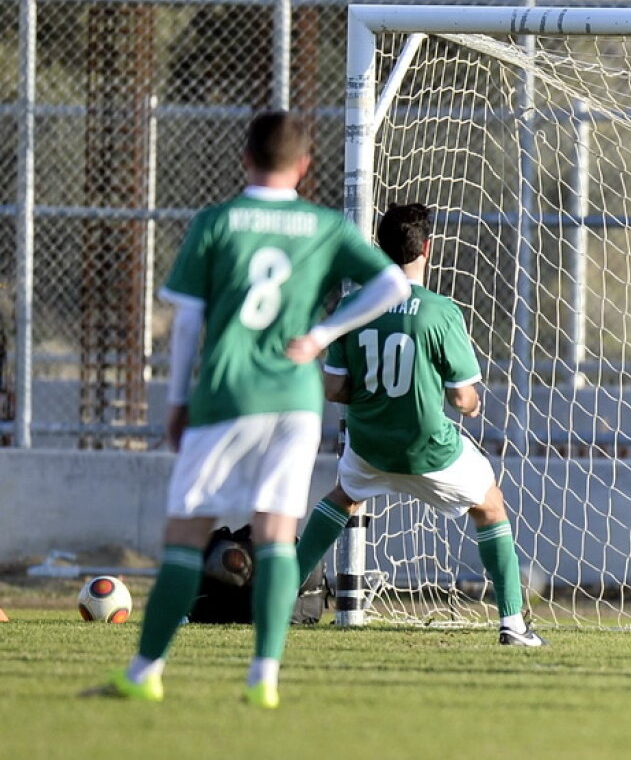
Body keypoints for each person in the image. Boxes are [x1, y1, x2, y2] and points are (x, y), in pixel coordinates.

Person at [87, 111, 412, 707]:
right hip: (293, 399)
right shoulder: (323, 227)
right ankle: (264, 676)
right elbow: (392, 284)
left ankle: (144, 673)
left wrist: (177, 399)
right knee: (275, 536)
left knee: (186, 537)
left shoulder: (217, 222)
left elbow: (188, 320)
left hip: (224, 395)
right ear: (305, 166)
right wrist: (321, 335)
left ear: (245, 159)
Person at [293, 201, 545, 647]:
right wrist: (463, 400)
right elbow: (464, 399)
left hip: (369, 446)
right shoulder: (440, 311)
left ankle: (276, 597)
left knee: (343, 496)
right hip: (428, 448)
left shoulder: (353, 306)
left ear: (379, 248)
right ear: (428, 247)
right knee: (490, 505)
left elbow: (334, 390)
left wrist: (372, 392)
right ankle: (513, 624)